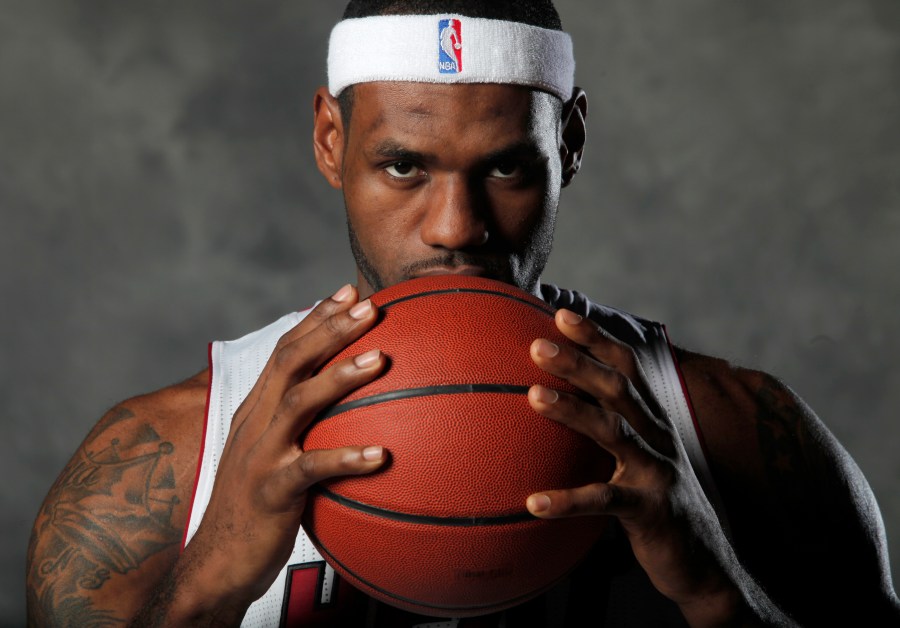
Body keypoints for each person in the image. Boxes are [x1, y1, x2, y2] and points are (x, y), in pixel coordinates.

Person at [25, 1, 900, 626]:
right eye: (404, 166)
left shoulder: (731, 434)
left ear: (572, 144)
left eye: (509, 169)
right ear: (331, 140)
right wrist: (206, 589)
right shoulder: (167, 458)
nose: (457, 228)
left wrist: (716, 594)